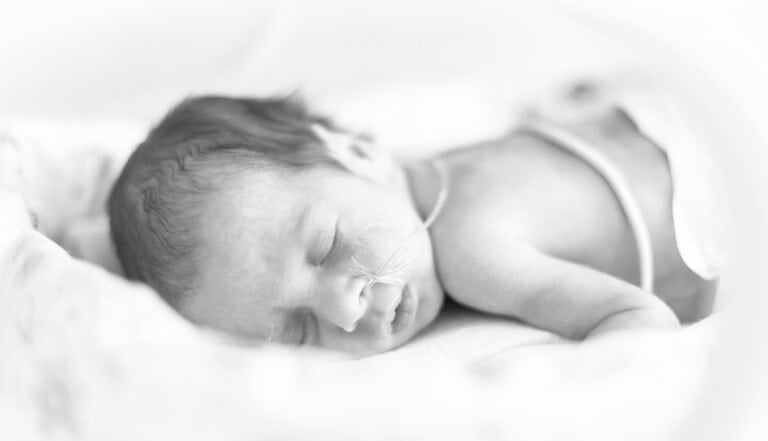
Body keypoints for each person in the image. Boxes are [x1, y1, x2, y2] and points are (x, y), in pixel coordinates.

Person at [108, 78, 725, 357]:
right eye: (297, 331)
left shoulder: (472, 248)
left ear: (357, 152)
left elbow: (639, 322)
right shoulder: (420, 175)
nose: (345, 311)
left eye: (324, 246)